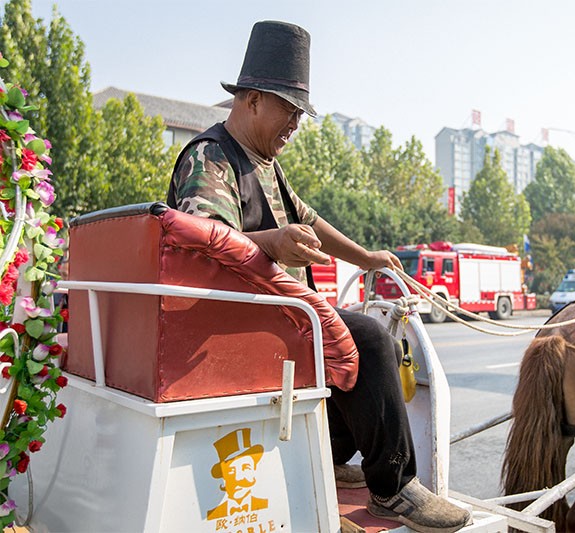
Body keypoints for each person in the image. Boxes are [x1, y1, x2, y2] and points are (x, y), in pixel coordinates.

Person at [167, 20, 471, 533]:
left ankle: (325, 457)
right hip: (230, 325)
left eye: (300, 114)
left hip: (275, 322)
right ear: (254, 99)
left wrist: (366, 257)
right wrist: (273, 243)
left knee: (346, 341)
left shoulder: (264, 162)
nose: (295, 125)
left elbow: (307, 221)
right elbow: (206, 240)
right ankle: (392, 489)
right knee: (369, 338)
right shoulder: (210, 156)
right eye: (289, 110)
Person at [207, 428, 269, 519]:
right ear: (223, 475)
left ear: (255, 469)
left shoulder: (267, 505)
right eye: (231, 470)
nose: (238, 478)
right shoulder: (212, 515)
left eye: (246, 468)